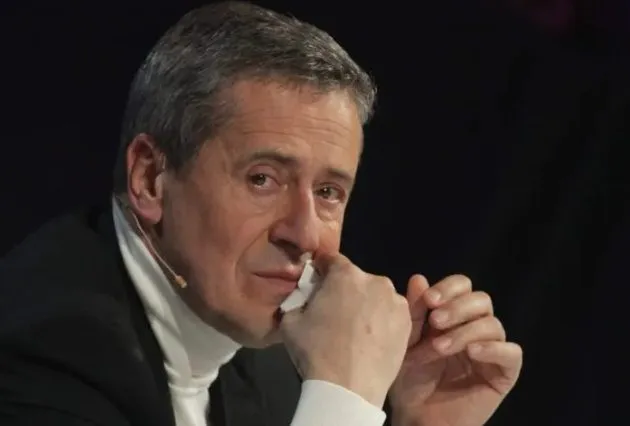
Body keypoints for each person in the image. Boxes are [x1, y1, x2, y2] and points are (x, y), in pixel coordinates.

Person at [0, 2, 523, 426]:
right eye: (262, 179)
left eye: (328, 192)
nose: (305, 234)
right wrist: (345, 398)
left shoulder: (269, 356)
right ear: (151, 179)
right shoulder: (40, 355)